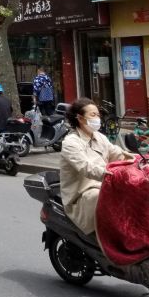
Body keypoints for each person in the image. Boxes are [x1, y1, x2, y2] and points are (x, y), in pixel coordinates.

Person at [60, 98, 134, 236]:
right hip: (81, 194)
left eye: (98, 115)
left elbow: (116, 153)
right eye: (93, 115)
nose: (97, 118)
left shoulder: (100, 137)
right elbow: (86, 167)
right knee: (102, 197)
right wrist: (111, 174)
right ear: (80, 118)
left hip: (105, 183)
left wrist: (137, 160)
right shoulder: (70, 143)